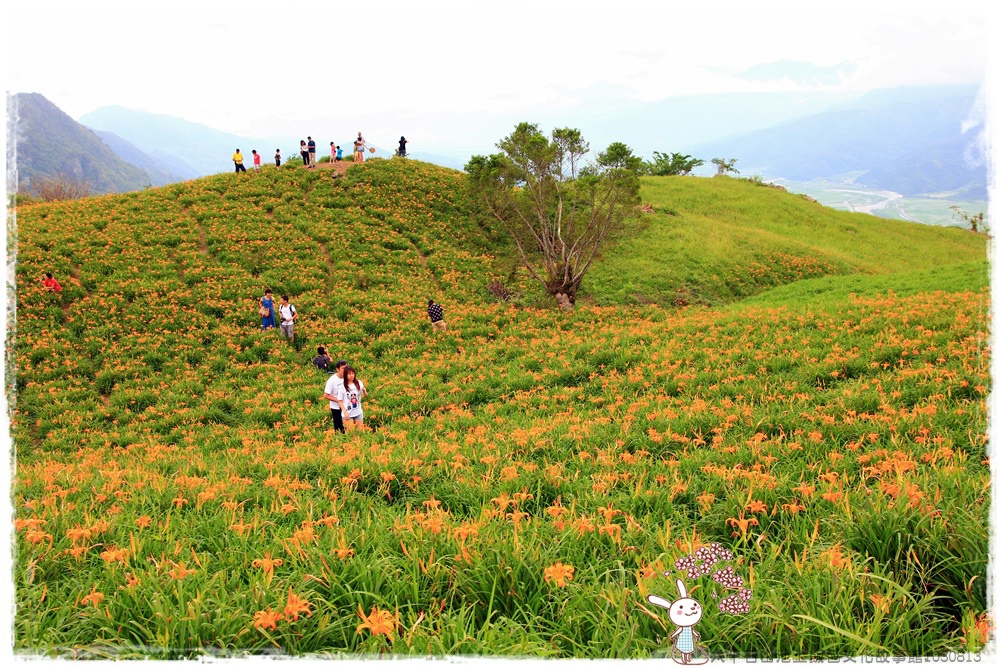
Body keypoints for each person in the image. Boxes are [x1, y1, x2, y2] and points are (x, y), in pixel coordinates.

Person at [338, 365, 368, 429]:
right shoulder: (342, 387)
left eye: (352, 373)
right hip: (347, 413)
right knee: (350, 433)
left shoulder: (359, 383)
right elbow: (340, 401)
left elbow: (365, 396)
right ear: (345, 375)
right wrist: (345, 412)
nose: (351, 375)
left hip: (358, 412)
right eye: (349, 374)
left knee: (360, 432)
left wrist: (364, 391)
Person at [322, 360, 349, 433]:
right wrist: (339, 401)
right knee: (339, 428)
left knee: (349, 426)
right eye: (343, 368)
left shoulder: (348, 377)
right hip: (336, 407)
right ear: (337, 369)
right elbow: (326, 395)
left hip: (347, 406)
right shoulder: (332, 380)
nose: (345, 370)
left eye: (346, 367)